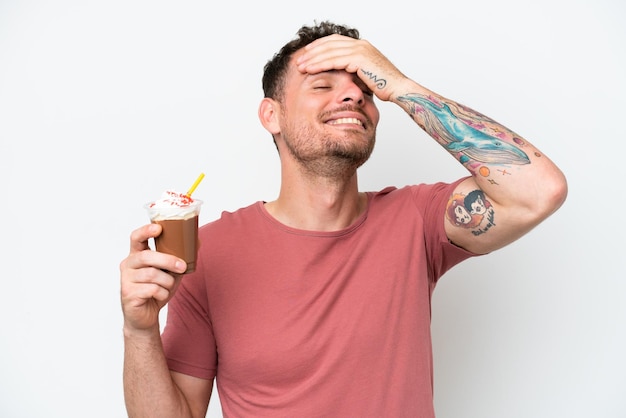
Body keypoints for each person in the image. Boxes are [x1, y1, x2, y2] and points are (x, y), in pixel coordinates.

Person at [120, 21, 567, 417]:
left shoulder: (417, 221)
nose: (354, 94)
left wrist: (398, 84)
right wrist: (139, 331)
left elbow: (538, 191)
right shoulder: (210, 252)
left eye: (367, 90)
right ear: (271, 115)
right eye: (322, 85)